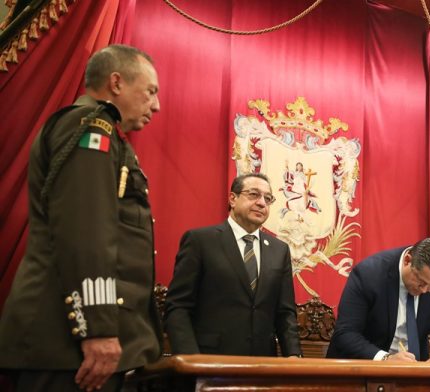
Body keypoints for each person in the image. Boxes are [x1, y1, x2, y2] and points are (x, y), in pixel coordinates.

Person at [0, 44, 162, 391]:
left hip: (75, 348)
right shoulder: (91, 127)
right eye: (150, 91)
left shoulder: (104, 133)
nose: (157, 105)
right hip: (69, 347)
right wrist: (99, 327)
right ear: (116, 83)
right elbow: (86, 233)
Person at [164, 173, 302, 357]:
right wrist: (190, 359)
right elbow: (178, 306)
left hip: (263, 366)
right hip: (210, 362)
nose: (262, 203)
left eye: (267, 199)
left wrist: (293, 355)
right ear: (233, 199)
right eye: (253, 194)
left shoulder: (279, 250)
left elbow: (285, 312)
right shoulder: (201, 241)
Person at [326, 238, 430, 363]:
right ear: (407, 260)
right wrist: (386, 358)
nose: (425, 290)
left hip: (414, 373)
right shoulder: (369, 274)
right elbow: (346, 333)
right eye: (421, 281)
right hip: (360, 369)